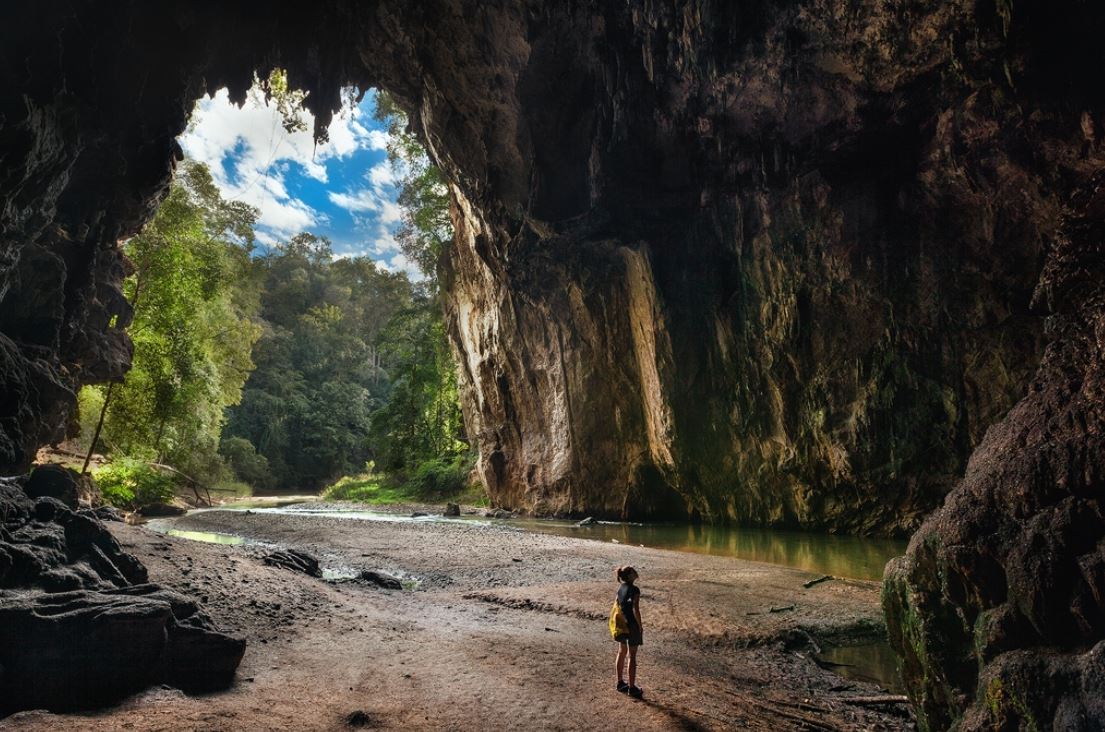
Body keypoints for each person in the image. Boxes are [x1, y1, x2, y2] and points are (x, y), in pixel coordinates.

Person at [613, 565, 644, 698]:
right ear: (630, 575)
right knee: (632, 656)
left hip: (621, 624)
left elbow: (618, 605)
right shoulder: (635, 589)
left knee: (621, 652)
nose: (636, 571)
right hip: (631, 625)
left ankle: (620, 683)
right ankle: (632, 688)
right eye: (633, 570)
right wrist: (640, 626)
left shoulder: (620, 588)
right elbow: (635, 610)